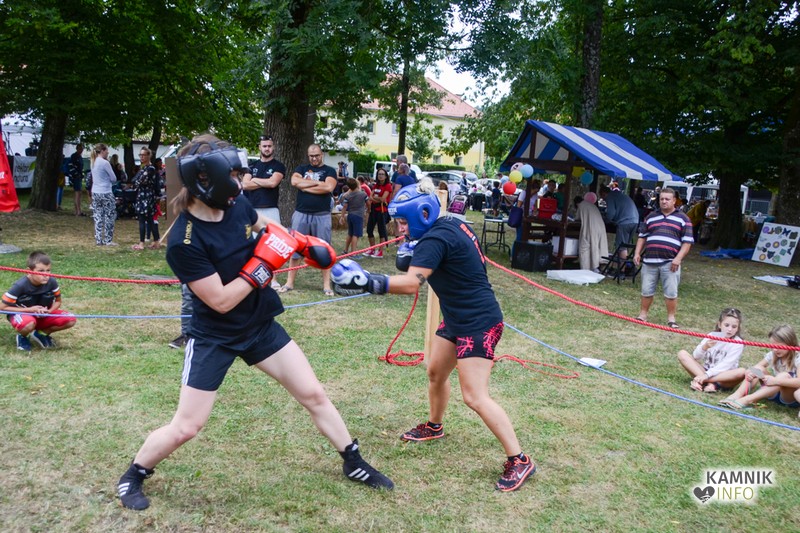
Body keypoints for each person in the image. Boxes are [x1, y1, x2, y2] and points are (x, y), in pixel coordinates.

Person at [116, 134, 392, 511]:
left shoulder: (236, 205)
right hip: (215, 335)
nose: (238, 183)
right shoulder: (184, 241)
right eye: (231, 176)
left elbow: (267, 229)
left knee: (313, 394)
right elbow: (220, 300)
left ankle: (353, 461)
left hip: (259, 324)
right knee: (187, 426)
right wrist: (263, 265)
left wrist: (302, 244)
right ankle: (134, 473)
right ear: (205, 180)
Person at [330, 179, 537, 493]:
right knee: (436, 372)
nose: (399, 228)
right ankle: (435, 425)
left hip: (478, 323)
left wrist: (368, 280)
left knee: (475, 396)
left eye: (403, 222)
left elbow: (412, 284)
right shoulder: (450, 223)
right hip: (456, 318)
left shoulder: (434, 240)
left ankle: (520, 459)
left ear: (422, 214)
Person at [278, 144, 337, 296]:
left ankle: (327, 285)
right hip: (301, 213)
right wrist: (318, 183)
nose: (314, 158)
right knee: (296, 248)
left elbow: (328, 188)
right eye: (311, 156)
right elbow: (294, 182)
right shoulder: (301, 168)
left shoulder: (330, 171)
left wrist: (305, 186)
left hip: (322, 215)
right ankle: (289, 282)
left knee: (324, 249)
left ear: (322, 154)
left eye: (316, 155)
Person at [633, 187, 693, 328]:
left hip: (670, 262)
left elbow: (687, 242)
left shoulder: (683, 218)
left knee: (671, 292)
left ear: (674, 201)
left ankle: (671, 319)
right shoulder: (651, 216)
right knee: (646, 290)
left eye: (667, 199)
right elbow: (642, 237)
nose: (664, 201)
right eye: (661, 199)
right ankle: (642, 315)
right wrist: (637, 253)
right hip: (649, 261)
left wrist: (678, 259)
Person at [1, 251, 77, 351]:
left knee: (70, 319)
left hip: (43, 315)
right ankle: (23, 337)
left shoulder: (52, 282)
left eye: (48, 270)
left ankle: (41, 334)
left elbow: (58, 301)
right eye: (41, 271)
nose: (46, 275)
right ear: (29, 271)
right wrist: (30, 310)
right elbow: (2, 307)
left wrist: (49, 311)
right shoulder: (20, 285)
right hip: (23, 315)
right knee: (27, 324)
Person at [719, 325, 800, 410]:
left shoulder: (798, 357)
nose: (775, 349)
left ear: (790, 343)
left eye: (779, 346)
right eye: (773, 346)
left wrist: (776, 381)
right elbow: (755, 368)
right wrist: (750, 373)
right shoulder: (773, 354)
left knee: (783, 375)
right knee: (757, 368)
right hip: (772, 392)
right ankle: (737, 395)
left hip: (789, 397)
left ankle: (748, 400)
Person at [677, 308, 745, 393]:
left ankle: (704, 382)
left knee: (742, 372)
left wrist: (706, 376)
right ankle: (707, 382)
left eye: (734, 327)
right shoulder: (712, 335)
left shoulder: (738, 343)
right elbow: (695, 357)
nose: (730, 329)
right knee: (682, 354)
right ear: (719, 324)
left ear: (738, 328)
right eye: (726, 325)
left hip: (724, 377)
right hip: (704, 371)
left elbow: (726, 364)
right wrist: (704, 347)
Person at [242, 134, 285, 224]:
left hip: (271, 209)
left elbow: (272, 183)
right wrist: (266, 182)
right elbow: (245, 185)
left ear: (273, 147)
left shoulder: (278, 166)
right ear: (259, 147)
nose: (267, 148)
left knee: (273, 233)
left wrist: (254, 180)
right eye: (264, 146)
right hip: (253, 209)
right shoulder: (251, 166)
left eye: (269, 146)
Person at [131, 147, 161, 250]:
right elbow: (134, 180)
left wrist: (137, 181)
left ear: (149, 156)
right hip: (142, 196)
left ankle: (142, 243)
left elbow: (139, 181)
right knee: (148, 219)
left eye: (144, 155)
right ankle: (155, 241)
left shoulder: (150, 169)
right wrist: (137, 181)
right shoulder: (144, 168)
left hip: (147, 197)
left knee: (145, 219)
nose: (141, 157)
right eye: (140, 155)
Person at [599, 185, 640, 259]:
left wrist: (605, 220)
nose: (603, 199)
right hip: (635, 221)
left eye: (602, 198)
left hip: (625, 222)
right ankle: (625, 263)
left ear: (604, 194)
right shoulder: (620, 195)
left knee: (622, 247)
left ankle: (622, 266)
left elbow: (611, 213)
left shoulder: (610, 197)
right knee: (625, 245)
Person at [90, 143, 119, 246]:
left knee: (98, 215)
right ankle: (108, 240)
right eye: (106, 150)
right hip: (106, 191)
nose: (108, 152)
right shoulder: (105, 163)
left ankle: (98, 239)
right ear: (102, 150)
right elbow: (113, 178)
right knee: (109, 216)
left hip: (95, 191)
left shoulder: (93, 162)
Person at [573, 193, 609, 272]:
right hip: (601, 227)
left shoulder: (581, 205)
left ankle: (587, 268)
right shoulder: (593, 205)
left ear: (576, 203)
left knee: (585, 248)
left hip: (591, 228)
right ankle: (598, 266)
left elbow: (577, 219)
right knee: (598, 247)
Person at [365, 167, 392, 258]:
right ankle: (372, 249)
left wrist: (375, 198)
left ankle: (380, 251)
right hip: (373, 210)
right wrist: (377, 198)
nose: (380, 176)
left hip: (382, 211)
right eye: (379, 174)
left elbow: (383, 199)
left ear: (386, 176)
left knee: (381, 231)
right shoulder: (376, 185)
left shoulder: (388, 186)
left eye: (382, 174)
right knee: (369, 230)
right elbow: (370, 196)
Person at [339, 177, 368, 255]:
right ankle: (353, 253)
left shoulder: (348, 195)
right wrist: (369, 210)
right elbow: (368, 203)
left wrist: (342, 216)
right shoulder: (363, 194)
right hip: (358, 216)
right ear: (357, 184)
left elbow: (344, 206)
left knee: (350, 233)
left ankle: (345, 250)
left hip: (350, 215)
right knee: (356, 235)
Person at [68, 144, 86, 216]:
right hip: (75, 177)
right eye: (80, 149)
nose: (81, 150)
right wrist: (76, 174)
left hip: (79, 176)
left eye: (82, 149)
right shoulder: (74, 156)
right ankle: (78, 211)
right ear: (77, 149)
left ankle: (78, 210)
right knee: (77, 193)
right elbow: (71, 166)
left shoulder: (80, 157)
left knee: (79, 193)